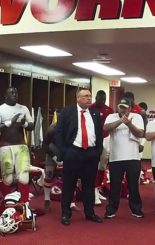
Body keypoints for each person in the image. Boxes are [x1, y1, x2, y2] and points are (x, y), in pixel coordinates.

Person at [54, 88, 103, 225]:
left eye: (90, 96)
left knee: (89, 185)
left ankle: (89, 212)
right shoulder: (67, 112)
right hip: (73, 153)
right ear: (78, 98)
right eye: (85, 96)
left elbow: (99, 134)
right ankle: (65, 214)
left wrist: (98, 151)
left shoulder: (95, 113)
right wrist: (64, 152)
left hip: (91, 154)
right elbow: (58, 132)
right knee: (69, 185)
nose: (89, 98)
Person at [0, 87, 35, 203]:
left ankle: (25, 204)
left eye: (16, 92)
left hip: (21, 146)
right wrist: (10, 122)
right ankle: (7, 203)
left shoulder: (23, 108)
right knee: (8, 178)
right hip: (6, 147)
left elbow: (31, 126)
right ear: (5, 96)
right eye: (11, 93)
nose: (15, 95)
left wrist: (24, 123)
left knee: (24, 176)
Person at [103, 98, 145, 219]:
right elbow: (106, 128)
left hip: (133, 157)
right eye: (120, 107)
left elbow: (140, 134)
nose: (122, 109)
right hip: (116, 158)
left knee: (133, 186)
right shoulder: (111, 116)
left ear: (130, 108)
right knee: (115, 186)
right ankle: (111, 209)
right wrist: (121, 121)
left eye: (125, 107)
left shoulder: (137, 117)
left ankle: (136, 209)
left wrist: (129, 124)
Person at [89, 90, 114, 205]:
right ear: (96, 98)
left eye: (104, 99)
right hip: (94, 140)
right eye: (100, 99)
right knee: (94, 164)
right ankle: (93, 191)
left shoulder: (109, 110)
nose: (102, 102)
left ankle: (98, 188)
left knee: (102, 166)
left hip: (107, 139)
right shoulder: (91, 108)